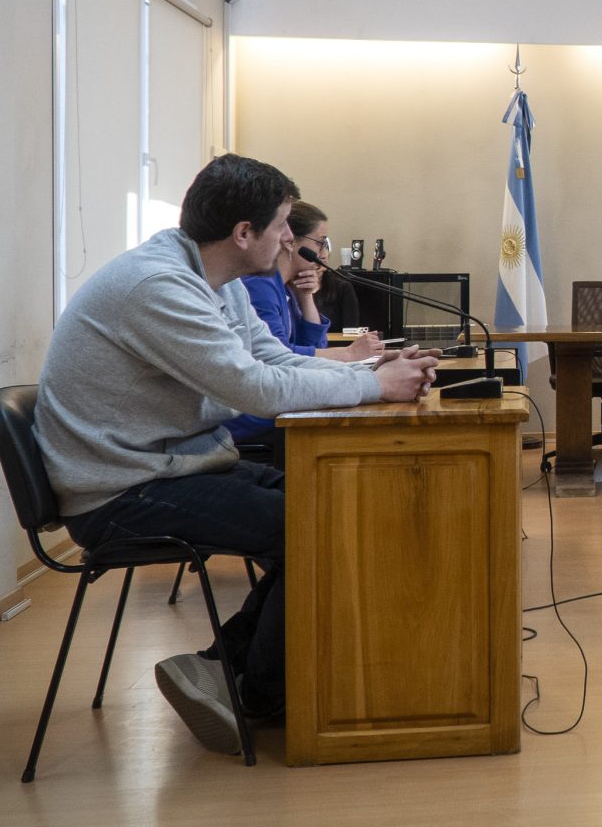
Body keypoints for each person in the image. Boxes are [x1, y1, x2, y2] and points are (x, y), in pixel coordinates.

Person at [32, 154, 439, 756]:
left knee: (335, 503)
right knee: (318, 524)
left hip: (172, 464)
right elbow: (254, 390)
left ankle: (221, 670)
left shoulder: (211, 279)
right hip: (120, 492)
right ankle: (254, 692)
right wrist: (374, 387)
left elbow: (271, 361)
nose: (289, 240)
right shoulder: (160, 287)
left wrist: (373, 369)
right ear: (243, 233)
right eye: (280, 226)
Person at [221, 200, 384, 463]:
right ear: (290, 241)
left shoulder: (285, 287)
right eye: (321, 242)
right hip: (253, 417)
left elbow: (312, 343)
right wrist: (348, 355)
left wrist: (306, 297)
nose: (325, 253)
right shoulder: (260, 285)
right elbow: (278, 358)